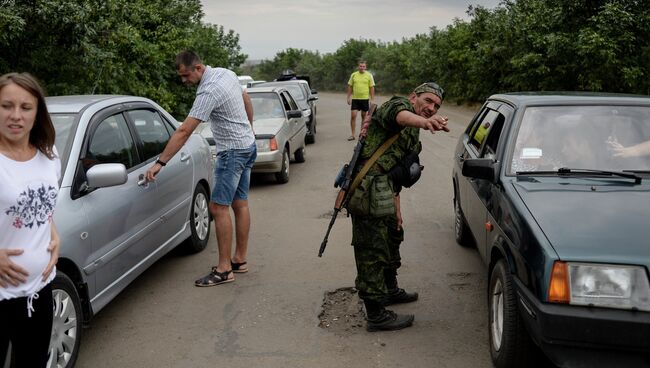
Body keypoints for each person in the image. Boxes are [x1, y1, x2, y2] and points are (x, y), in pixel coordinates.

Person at [145, 51, 257, 287]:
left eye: (186, 75)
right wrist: (249, 126)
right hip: (247, 145)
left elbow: (184, 131)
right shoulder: (225, 73)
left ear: (198, 68)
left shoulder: (208, 91)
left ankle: (225, 269)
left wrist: (160, 162)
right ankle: (240, 259)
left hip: (232, 153)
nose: (184, 81)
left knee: (218, 208)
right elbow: (245, 97)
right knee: (241, 203)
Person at [351, 82, 449, 331]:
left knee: (393, 236)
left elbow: (399, 170)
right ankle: (375, 313)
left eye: (436, 106)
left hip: (386, 189)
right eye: (427, 101)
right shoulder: (399, 106)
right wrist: (425, 122)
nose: (431, 108)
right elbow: (398, 115)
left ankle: (389, 290)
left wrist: (397, 207)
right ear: (413, 97)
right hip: (369, 189)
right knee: (372, 250)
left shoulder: (413, 130)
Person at [0, 72, 61, 367]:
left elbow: (43, 207)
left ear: (37, 114)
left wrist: (54, 233)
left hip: (39, 290)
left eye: (26, 107)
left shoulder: (50, 156)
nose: (16, 116)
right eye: (6, 106)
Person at [346, 61, 375, 141]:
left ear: (365, 67)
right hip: (355, 99)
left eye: (363, 66)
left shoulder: (369, 75)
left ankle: (361, 134)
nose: (362, 68)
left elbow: (372, 87)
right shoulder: (354, 75)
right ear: (358, 67)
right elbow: (350, 86)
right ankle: (352, 135)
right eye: (360, 66)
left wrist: (372, 99)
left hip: (365, 99)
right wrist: (348, 97)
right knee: (353, 115)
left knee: (363, 116)